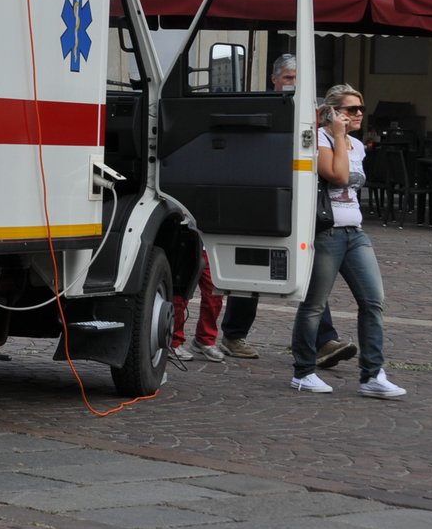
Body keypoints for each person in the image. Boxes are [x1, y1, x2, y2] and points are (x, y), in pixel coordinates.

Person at [217, 53, 354, 369]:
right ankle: (234, 334)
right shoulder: (260, 105)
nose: (294, 85)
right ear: (275, 79)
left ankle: (322, 340)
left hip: (303, 197)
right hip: (262, 194)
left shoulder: (314, 112)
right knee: (251, 264)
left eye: (299, 79)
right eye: (290, 78)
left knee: (308, 267)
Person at [289, 85, 405, 399]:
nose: (357, 115)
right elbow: (338, 176)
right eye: (350, 109)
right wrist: (338, 135)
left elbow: (351, 187)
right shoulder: (321, 140)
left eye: (360, 109)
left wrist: (345, 138)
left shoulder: (358, 145)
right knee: (313, 304)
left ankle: (372, 374)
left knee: (373, 301)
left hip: (355, 231)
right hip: (327, 232)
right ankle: (303, 371)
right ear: (332, 111)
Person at [171, 254, 224, 361]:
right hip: (189, 246)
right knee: (179, 295)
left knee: (214, 294)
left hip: (209, 248)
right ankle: (173, 341)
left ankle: (204, 339)